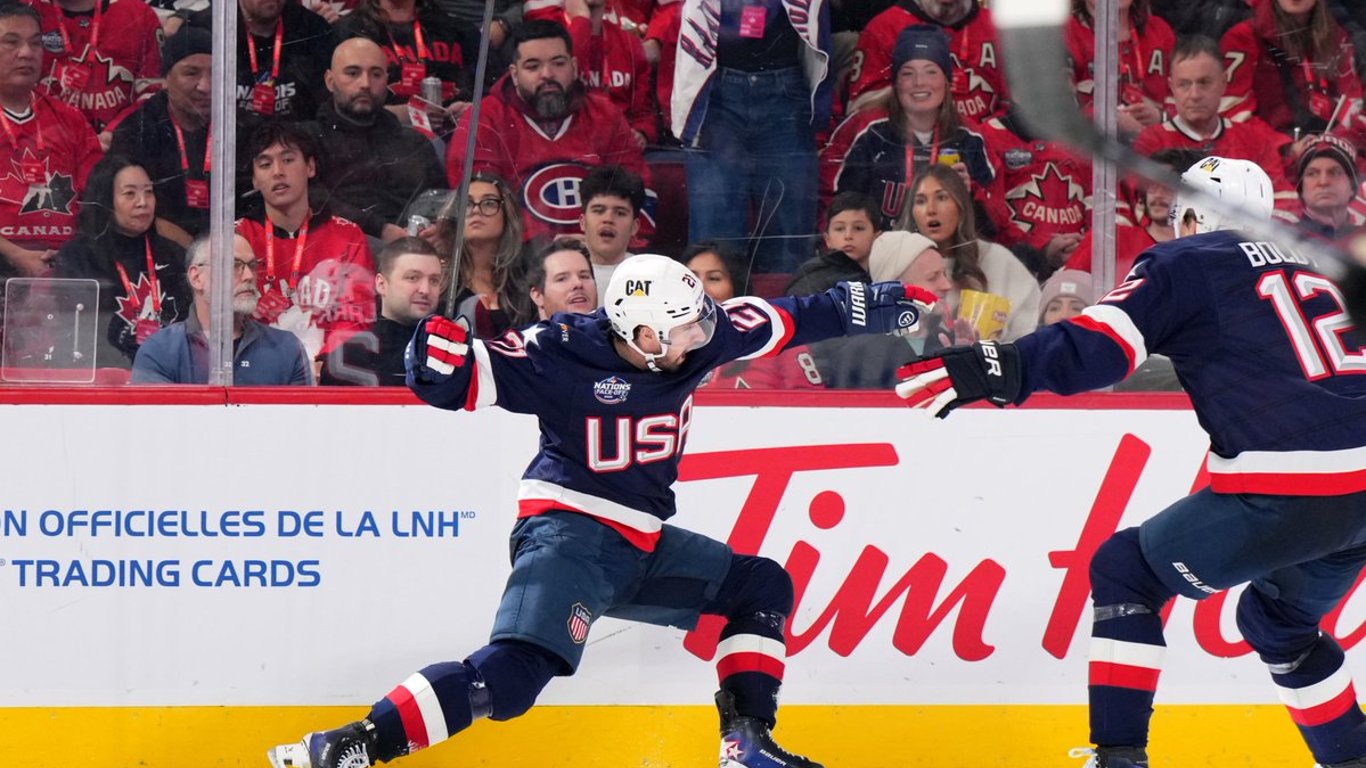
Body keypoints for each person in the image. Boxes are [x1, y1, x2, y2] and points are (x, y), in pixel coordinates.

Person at [266, 253, 938, 768]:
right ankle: (352, 744)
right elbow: (454, 380)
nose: (699, 339)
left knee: (760, 585)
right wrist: (430, 360)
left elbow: (796, 316)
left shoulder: (701, 336)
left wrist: (875, 303)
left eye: (701, 320)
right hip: (569, 535)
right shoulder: (556, 351)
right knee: (513, 676)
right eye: (682, 329)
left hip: (641, 543)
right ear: (640, 331)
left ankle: (747, 744)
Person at [897, 156, 1366, 768]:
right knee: (1278, 621)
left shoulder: (1189, 261)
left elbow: (1101, 347)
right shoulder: (1328, 260)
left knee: (1126, 571)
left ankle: (1120, 758)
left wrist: (1002, 366)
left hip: (1295, 485)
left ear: (1192, 215)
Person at [446, 19, 646, 243]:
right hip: (519, 258)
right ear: (514, 73)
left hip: (600, 251)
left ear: (574, 66)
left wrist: (602, 245)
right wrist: (543, 245)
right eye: (533, 66)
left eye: (558, 63)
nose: (547, 74)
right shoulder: (485, 119)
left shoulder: (605, 114)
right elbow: (480, 204)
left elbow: (637, 191)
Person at [673, 0, 833, 273]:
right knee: (715, 239)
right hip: (716, 94)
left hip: (785, 90)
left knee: (788, 234)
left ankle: (787, 314)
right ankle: (710, 316)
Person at [820, 24, 995, 226]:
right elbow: (826, 198)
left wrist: (972, 191)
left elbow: (996, 219)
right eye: (907, 73)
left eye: (931, 72)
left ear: (947, 81)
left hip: (946, 253)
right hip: (876, 253)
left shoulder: (969, 136)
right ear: (895, 82)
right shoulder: (866, 129)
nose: (919, 82)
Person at [235, 120, 376, 366]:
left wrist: (324, 362)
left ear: (310, 167)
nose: (277, 171)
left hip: (329, 372)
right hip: (255, 371)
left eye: (288, 160)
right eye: (265, 164)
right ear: (255, 180)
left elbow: (356, 317)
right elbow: (226, 318)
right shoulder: (237, 238)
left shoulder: (348, 237)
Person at [52, 154, 189, 368]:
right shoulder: (78, 257)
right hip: (106, 376)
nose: (143, 203)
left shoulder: (173, 254)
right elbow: (78, 334)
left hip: (171, 373)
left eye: (149, 192)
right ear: (106, 200)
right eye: (130, 193)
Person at [0, 0, 104, 279]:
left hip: (66, 268)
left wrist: (73, 255)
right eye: (11, 42)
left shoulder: (70, 120)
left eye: (35, 43)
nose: (26, 53)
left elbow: (97, 200)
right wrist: (14, 254)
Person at [311, 37, 447, 242]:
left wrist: (439, 227)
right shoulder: (308, 139)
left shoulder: (414, 141)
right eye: (353, 73)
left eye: (375, 74)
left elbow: (441, 199)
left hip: (414, 248)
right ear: (330, 81)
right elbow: (310, 201)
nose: (365, 84)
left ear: (387, 80)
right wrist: (380, 228)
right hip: (341, 248)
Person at [131, 233, 312, 384]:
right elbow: (158, 425)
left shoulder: (287, 348)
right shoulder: (159, 351)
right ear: (197, 278)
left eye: (252, 266)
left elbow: (299, 425)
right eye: (234, 266)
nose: (249, 276)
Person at [1132, 36, 1293, 204]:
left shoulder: (1255, 141)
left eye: (1204, 83)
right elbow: (1138, 208)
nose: (1195, 95)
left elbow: (1285, 201)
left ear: (1223, 82)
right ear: (1172, 87)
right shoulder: (1148, 144)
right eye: (1184, 84)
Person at [898, 164, 1040, 342]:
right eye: (920, 201)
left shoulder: (997, 261)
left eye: (942, 197)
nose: (931, 209)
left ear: (961, 206)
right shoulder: (897, 266)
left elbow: (1030, 331)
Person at [108, 27, 212, 245]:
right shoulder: (137, 129)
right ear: (166, 78)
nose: (205, 86)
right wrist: (196, 252)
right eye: (191, 73)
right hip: (160, 248)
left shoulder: (239, 125)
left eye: (215, 74)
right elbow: (127, 209)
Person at [1221, 0, 1365, 148]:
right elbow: (1233, 114)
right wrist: (1285, 147)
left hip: (1337, 156)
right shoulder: (1244, 37)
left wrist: (1338, 145)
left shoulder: (1340, 36)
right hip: (1267, 161)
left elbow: (1355, 103)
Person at [848, 0, 1007, 124]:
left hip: (988, 150)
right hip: (910, 150)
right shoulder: (884, 27)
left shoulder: (997, 25)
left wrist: (986, 138)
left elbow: (1019, 106)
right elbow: (860, 113)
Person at [335, 0, 480, 130]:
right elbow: (337, 107)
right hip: (384, 137)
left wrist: (472, 109)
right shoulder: (348, 32)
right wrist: (406, 113)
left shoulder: (460, 31)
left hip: (457, 132)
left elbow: (489, 92)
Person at [28, 0, 162, 141]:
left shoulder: (137, 13)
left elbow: (153, 90)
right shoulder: (24, 11)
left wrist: (116, 133)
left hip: (120, 148)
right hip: (47, 144)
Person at [320, 236, 443, 385]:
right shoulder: (346, 361)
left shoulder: (454, 357)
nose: (425, 290)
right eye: (412, 278)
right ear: (381, 284)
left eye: (434, 280)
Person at [426, 171, 530, 337]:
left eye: (489, 203)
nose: (476, 210)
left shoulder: (524, 281)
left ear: (507, 213)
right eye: (467, 204)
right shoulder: (439, 283)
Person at [1064, 0, 1174, 138]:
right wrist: (1107, 118)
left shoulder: (1159, 31)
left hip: (1157, 147)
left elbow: (1192, 102)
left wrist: (1162, 116)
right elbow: (1054, 109)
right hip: (1089, 148)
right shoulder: (1065, 34)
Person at [565, 0, 656, 147]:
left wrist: (642, 133)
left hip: (619, 146)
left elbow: (644, 111)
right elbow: (566, 81)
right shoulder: (552, 36)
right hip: (573, 145)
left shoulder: (629, 43)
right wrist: (581, 19)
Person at [785, 190, 878, 296]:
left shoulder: (884, 275)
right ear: (827, 240)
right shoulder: (813, 281)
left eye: (858, 228)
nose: (848, 236)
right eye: (839, 229)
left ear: (876, 237)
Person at [577, 163, 644, 299]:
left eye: (620, 213)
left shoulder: (648, 274)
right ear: (583, 222)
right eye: (598, 211)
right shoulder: (561, 272)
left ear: (634, 227)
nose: (608, 219)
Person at [1292, 132, 1363, 242]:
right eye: (1313, 173)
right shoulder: (1283, 237)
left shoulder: (1361, 242)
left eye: (1334, 173)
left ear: (1352, 187)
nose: (1323, 182)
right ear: (1301, 189)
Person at [526, 236, 596, 320]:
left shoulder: (614, 332)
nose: (578, 283)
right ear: (538, 295)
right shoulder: (519, 334)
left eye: (584, 276)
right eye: (562, 279)